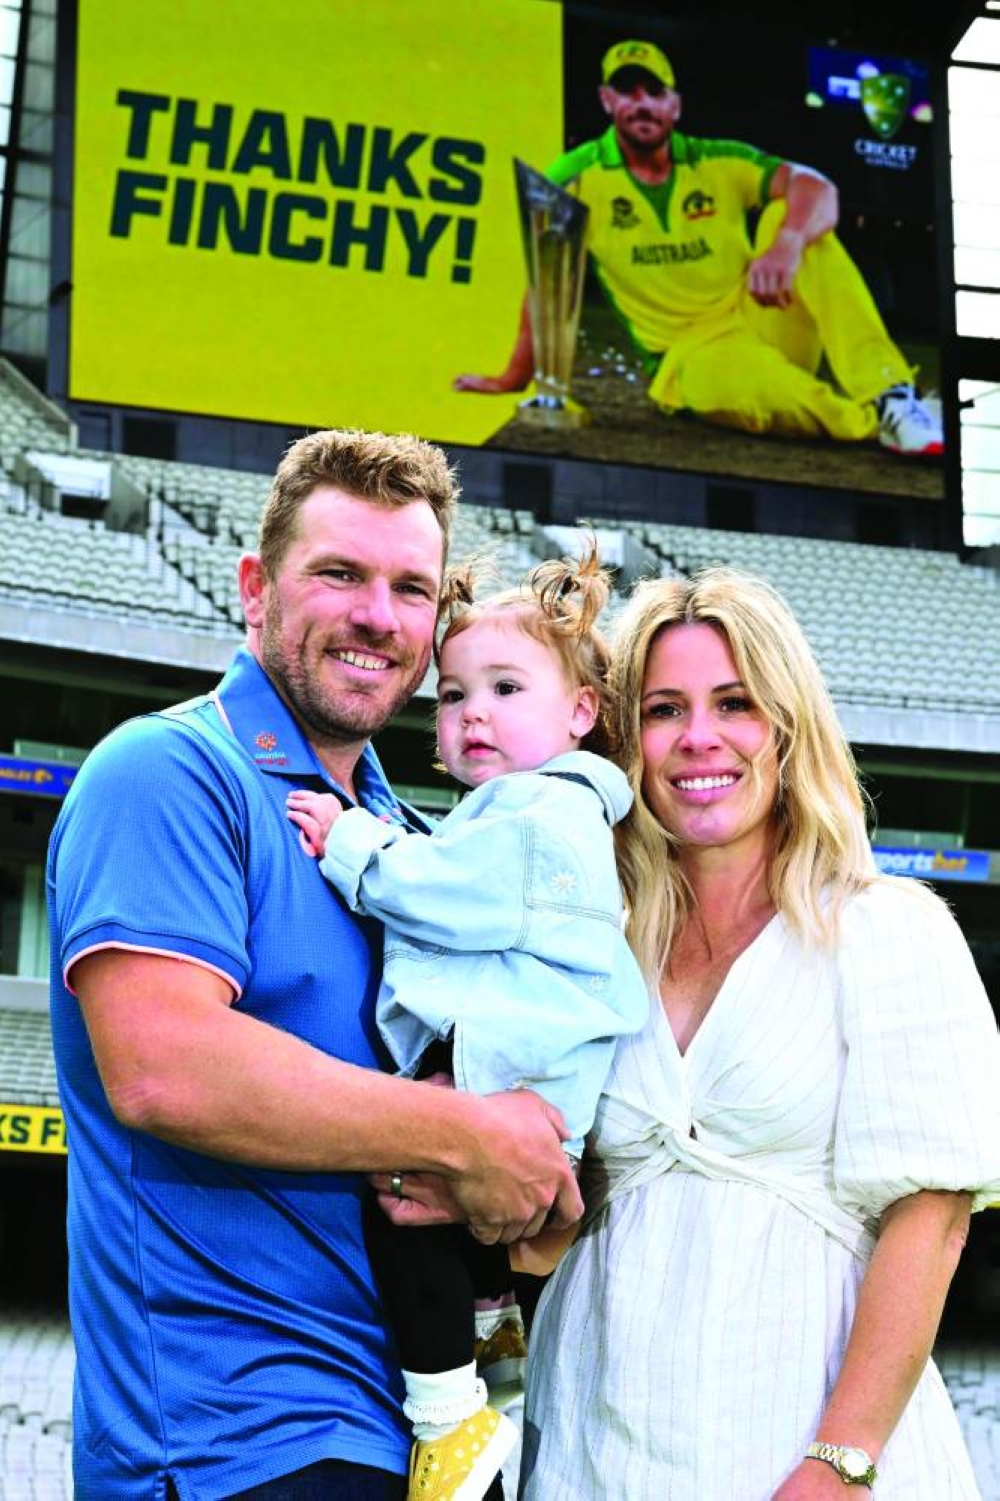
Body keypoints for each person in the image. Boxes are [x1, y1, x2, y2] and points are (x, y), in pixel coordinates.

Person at [46, 428, 583, 1501]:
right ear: (256, 588)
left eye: (409, 588)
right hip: (230, 1443)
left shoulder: (408, 844)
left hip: (405, 1427)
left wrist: (534, 1193)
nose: (376, 615)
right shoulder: (166, 769)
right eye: (338, 573)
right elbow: (164, 1065)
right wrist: (471, 1133)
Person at [517, 566, 1000, 1498]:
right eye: (663, 709)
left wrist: (839, 1463)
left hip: (802, 1447)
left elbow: (930, 1221)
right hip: (592, 1435)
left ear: (785, 723)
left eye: (734, 702)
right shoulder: (596, 942)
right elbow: (555, 1212)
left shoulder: (886, 927)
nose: (699, 737)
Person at [285, 547, 649, 1501]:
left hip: (503, 1067)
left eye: (504, 687)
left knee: (399, 1206)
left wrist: (350, 839)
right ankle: (490, 1326)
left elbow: (440, 893)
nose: (472, 711)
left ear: (580, 714)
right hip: (527, 1069)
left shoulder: (534, 813)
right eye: (450, 696)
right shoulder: (544, 812)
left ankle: (448, 1418)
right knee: (444, 1226)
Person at [455, 38, 943, 458]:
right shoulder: (576, 177)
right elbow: (548, 279)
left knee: (790, 215)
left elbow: (819, 189)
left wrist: (785, 246)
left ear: (675, 105)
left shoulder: (717, 160)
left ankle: (891, 396)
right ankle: (868, 422)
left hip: (760, 316)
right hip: (689, 358)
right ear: (607, 100)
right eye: (627, 91)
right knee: (751, 387)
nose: (642, 103)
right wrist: (515, 376)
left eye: (655, 91)